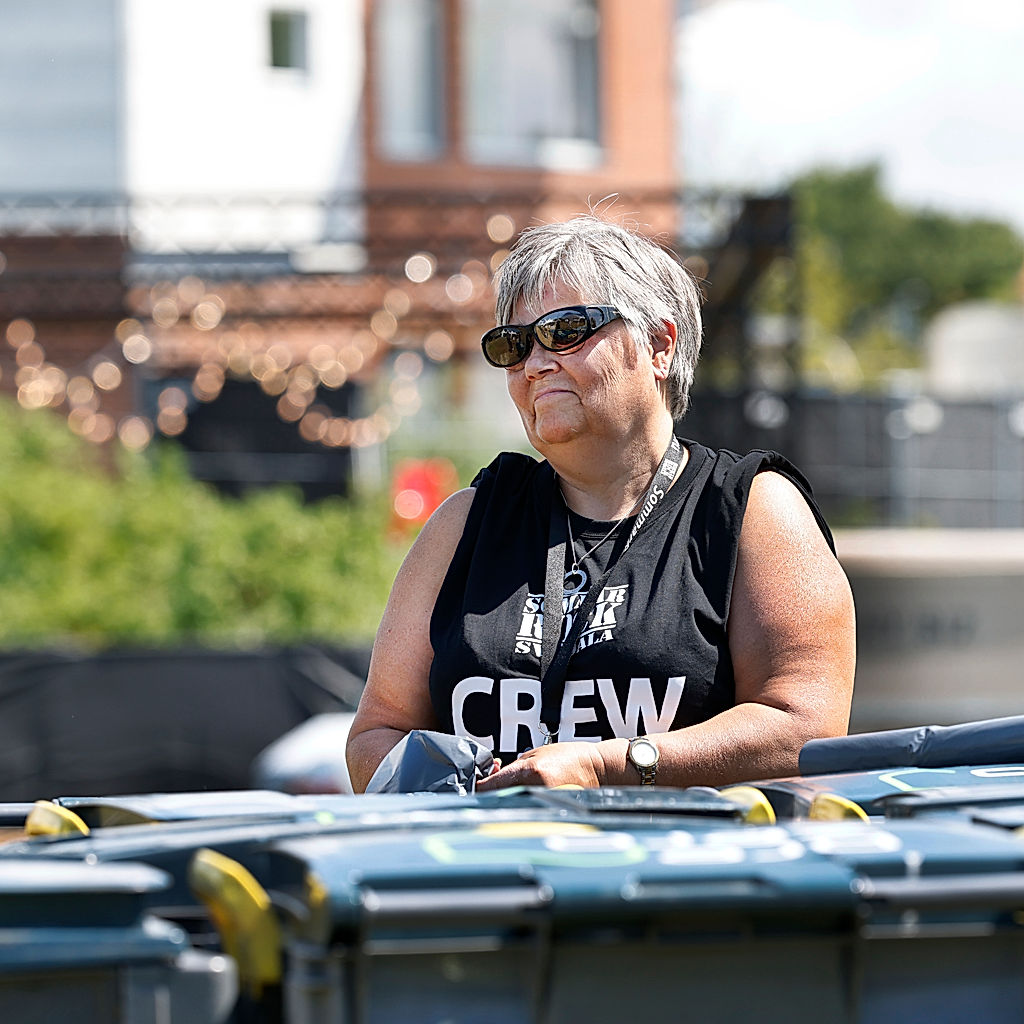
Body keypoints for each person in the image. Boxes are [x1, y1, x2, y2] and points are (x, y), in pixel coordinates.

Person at [346, 214, 855, 792]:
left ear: (660, 345)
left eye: (565, 331)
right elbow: (374, 736)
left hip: (682, 874)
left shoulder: (751, 510)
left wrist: (607, 766)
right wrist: (459, 791)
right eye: (513, 345)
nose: (535, 363)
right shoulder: (464, 523)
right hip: (493, 871)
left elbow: (807, 729)